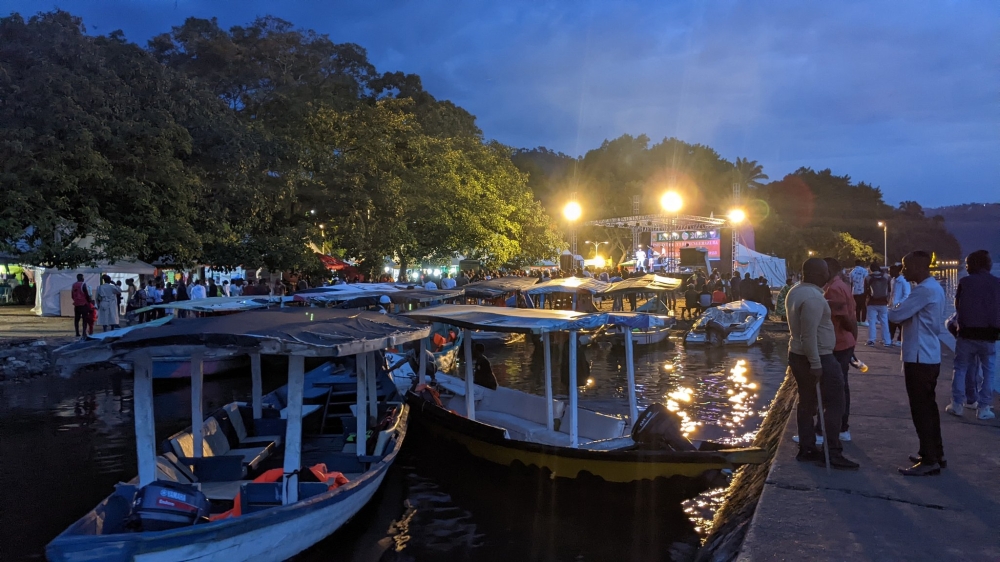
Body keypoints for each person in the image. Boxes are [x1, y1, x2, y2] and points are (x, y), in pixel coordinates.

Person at [785, 257, 858, 469]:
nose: (829, 274)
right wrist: (816, 363)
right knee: (836, 401)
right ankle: (832, 451)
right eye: (825, 271)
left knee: (806, 403)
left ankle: (807, 448)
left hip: (797, 354)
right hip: (818, 356)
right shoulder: (814, 299)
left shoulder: (796, 291)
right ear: (817, 274)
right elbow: (809, 335)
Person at [888, 251, 946, 476]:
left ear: (919, 267)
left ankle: (930, 460)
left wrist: (896, 307)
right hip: (930, 355)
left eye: (906, 266)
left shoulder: (923, 290)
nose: (903, 271)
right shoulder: (935, 288)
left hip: (920, 357)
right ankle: (934, 452)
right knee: (929, 408)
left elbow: (895, 315)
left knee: (921, 409)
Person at [946, 250, 999, 420]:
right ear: (988, 265)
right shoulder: (997, 283)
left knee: (960, 368)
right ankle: (984, 408)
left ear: (975, 264)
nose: (966, 267)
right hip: (989, 335)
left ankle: (957, 404)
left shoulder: (965, 282)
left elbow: (958, 306)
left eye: (968, 264)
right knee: (989, 371)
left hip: (967, 334)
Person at [823, 257, 857, 442]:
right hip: (844, 342)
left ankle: (836, 429)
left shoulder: (834, 288)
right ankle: (842, 427)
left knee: (835, 388)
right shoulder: (841, 285)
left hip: (838, 342)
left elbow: (844, 317)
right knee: (841, 386)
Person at [864, 261, 891, 347]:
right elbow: (889, 290)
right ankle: (887, 341)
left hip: (872, 302)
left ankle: (871, 340)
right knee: (884, 321)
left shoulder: (868, 277)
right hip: (883, 302)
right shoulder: (886, 277)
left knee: (872, 322)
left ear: (871, 269)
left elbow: (865, 291)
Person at [888, 264, 910, 346]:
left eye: (891, 271)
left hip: (900, 305)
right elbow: (892, 294)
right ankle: (890, 339)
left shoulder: (903, 281)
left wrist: (898, 303)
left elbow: (906, 294)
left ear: (896, 271)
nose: (889, 273)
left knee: (900, 325)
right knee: (891, 324)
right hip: (892, 306)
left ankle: (900, 340)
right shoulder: (893, 280)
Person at [70, 273, 93, 338]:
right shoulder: (83, 284)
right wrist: (89, 301)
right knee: (84, 319)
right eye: (83, 277)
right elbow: (86, 294)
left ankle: (77, 332)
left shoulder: (73, 285)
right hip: (83, 304)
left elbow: (72, 295)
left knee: (76, 319)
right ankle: (84, 333)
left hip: (76, 304)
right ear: (81, 278)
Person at [850, 260, 869, 326]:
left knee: (857, 306)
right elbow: (867, 281)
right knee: (863, 306)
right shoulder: (864, 271)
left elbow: (851, 283)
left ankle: (858, 321)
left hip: (855, 291)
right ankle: (863, 321)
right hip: (863, 290)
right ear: (861, 263)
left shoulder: (852, 272)